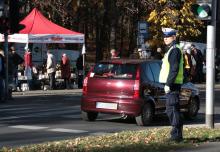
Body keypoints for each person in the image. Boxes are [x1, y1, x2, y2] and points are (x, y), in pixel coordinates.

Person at [159, 27, 184, 142]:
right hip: (171, 84)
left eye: (167, 36)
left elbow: (174, 69)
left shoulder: (174, 50)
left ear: (174, 37)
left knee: (173, 110)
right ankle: (176, 135)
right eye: (164, 37)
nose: (165, 39)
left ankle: (176, 136)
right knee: (172, 109)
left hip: (172, 85)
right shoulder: (172, 49)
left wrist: (168, 84)